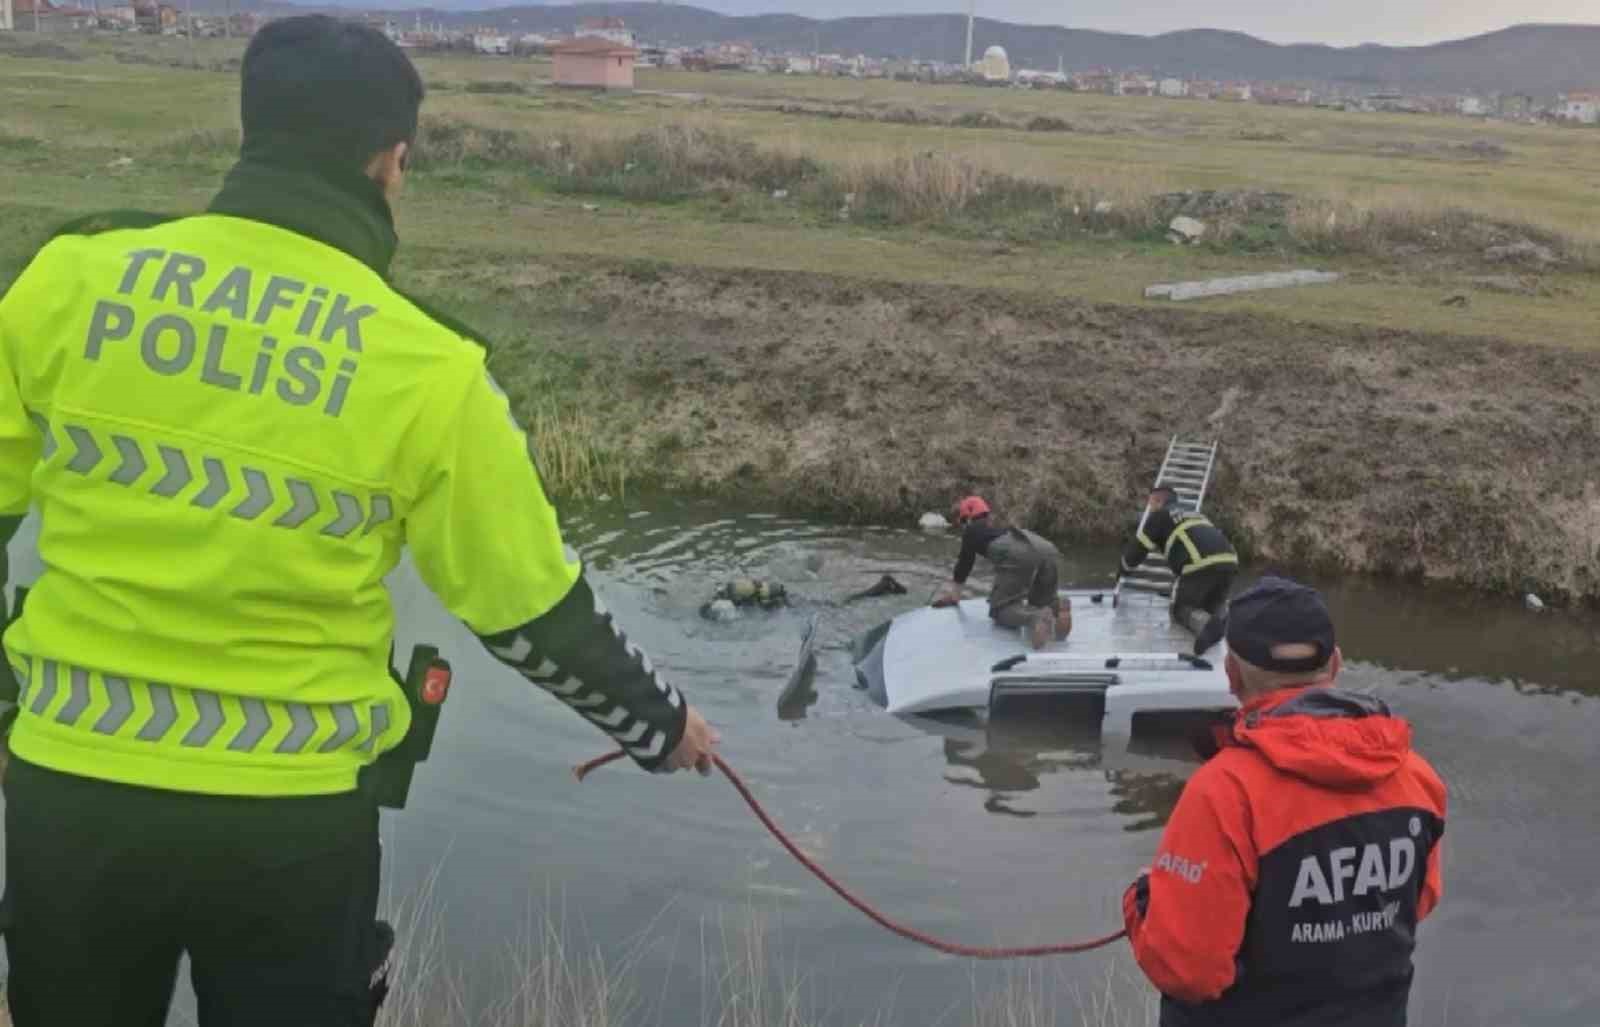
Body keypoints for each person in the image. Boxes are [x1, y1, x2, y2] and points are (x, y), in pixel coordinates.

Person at [0, 16, 719, 1027]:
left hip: (70, 795)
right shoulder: (427, 368)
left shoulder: (68, 280)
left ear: (250, 130)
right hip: (290, 828)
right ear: (391, 162)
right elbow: (526, 609)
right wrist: (658, 725)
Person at [1121, 577, 1446, 1026]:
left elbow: (1187, 971)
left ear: (1232, 675)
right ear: (1334, 663)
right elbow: (1418, 901)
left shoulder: (1224, 793)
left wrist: (1142, 901)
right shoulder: (1417, 778)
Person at [933, 495, 1071, 649]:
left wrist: (954, 597)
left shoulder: (971, 531)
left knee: (1000, 610)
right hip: (1044, 547)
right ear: (986, 515)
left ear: (968, 518)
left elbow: (964, 565)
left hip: (1018, 552)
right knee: (1042, 602)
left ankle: (1035, 617)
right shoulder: (997, 528)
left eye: (963, 521)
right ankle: (1058, 607)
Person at [1119, 483, 1237, 651]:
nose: (1150, 508)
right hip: (1229, 561)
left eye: (1151, 503)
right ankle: (1225, 622)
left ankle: (1207, 626)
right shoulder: (1195, 513)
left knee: (1180, 609)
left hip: (1199, 565)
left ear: (1158, 500)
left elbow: (1138, 550)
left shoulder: (1160, 515)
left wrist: (1123, 569)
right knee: (1211, 605)